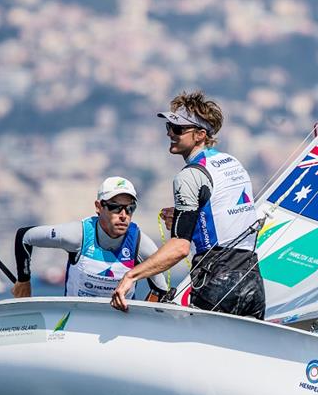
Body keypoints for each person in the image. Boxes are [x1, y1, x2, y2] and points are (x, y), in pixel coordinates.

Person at [111, 91, 265, 319]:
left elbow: (180, 248)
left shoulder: (189, 176)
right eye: (169, 128)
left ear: (200, 135)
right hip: (252, 281)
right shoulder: (232, 163)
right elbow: (226, 219)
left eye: (178, 129)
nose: (170, 134)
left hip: (217, 282)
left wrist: (131, 277)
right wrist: (187, 218)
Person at [12, 176, 168, 300]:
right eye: (115, 207)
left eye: (130, 208)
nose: (123, 215)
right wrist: (23, 281)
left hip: (121, 327)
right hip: (76, 323)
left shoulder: (140, 243)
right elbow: (25, 236)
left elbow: (160, 290)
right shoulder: (77, 235)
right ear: (98, 207)